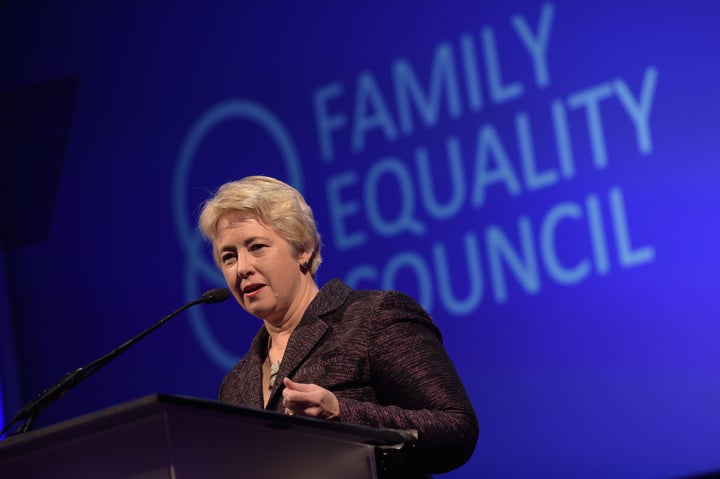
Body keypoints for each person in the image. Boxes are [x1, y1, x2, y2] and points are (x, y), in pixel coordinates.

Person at [197, 175, 478, 477]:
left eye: (257, 247)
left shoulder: (373, 318)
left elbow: (456, 429)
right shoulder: (235, 385)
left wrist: (341, 413)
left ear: (303, 248)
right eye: (229, 257)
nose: (242, 267)